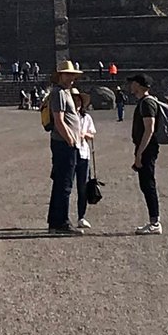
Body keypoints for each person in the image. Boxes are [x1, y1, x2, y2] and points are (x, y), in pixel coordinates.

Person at [43, 60, 83, 234]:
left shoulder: (64, 92)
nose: (72, 77)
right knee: (64, 184)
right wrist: (70, 140)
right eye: (68, 74)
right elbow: (58, 120)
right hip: (63, 144)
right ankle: (61, 223)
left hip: (65, 143)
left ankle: (55, 221)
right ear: (60, 75)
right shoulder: (59, 93)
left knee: (61, 183)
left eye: (73, 74)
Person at [127, 74, 163, 234]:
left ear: (140, 85)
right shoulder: (144, 102)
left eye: (133, 83)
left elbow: (149, 129)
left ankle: (155, 222)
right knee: (145, 184)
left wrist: (139, 153)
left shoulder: (147, 103)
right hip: (145, 148)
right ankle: (153, 221)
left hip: (147, 149)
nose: (130, 85)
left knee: (148, 184)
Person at [73, 90, 97, 232]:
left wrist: (84, 134)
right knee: (67, 187)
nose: (77, 103)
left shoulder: (86, 117)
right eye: (74, 100)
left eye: (79, 100)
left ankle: (81, 217)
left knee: (82, 187)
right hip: (70, 152)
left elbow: (92, 134)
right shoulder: (68, 116)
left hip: (83, 153)